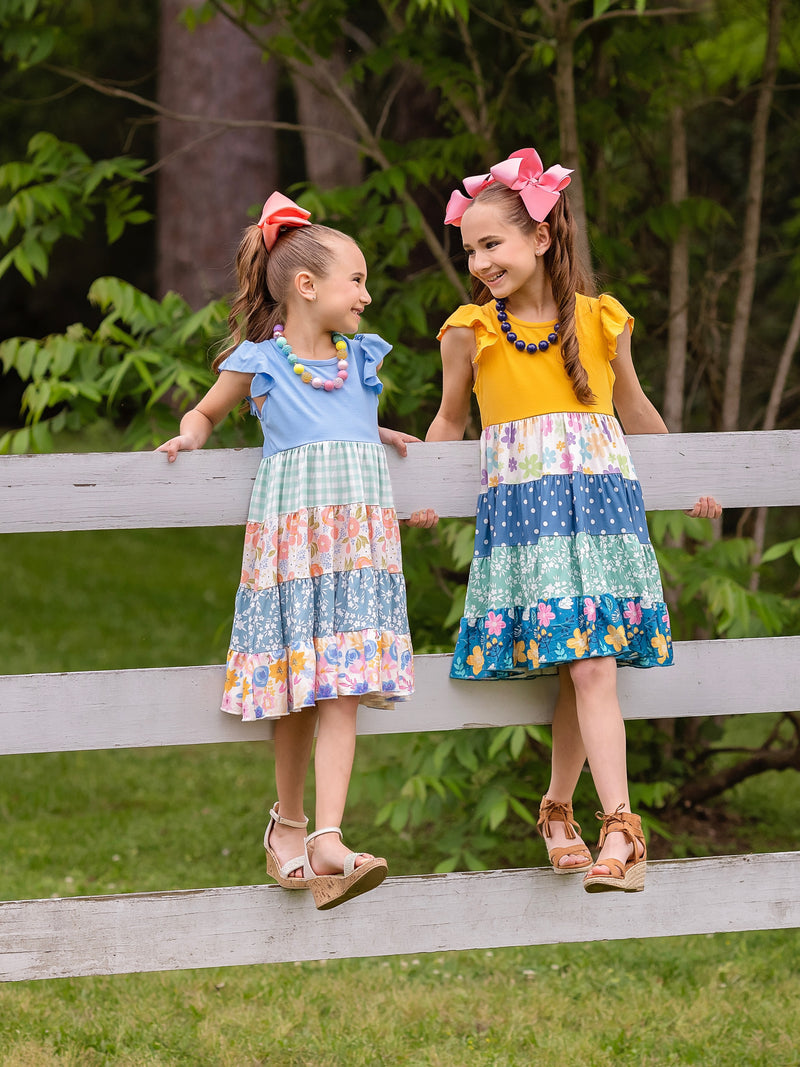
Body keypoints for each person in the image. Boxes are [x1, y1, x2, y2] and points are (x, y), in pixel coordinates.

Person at [425, 149, 721, 893]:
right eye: (471, 250)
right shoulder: (470, 330)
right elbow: (449, 420)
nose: (481, 262)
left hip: (600, 517)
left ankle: (613, 827)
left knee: (589, 663)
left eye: (493, 243)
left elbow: (636, 410)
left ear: (543, 238)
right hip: (530, 527)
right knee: (579, 665)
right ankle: (567, 811)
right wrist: (421, 494)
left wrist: (685, 481)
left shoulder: (599, 319)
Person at [158, 192, 435, 910]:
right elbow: (208, 410)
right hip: (296, 546)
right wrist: (190, 435)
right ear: (308, 286)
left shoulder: (362, 360)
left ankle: (331, 839)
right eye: (358, 281)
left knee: (341, 685)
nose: (368, 295)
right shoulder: (262, 360)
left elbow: (339, 420)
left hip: (359, 547)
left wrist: (379, 434)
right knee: (298, 687)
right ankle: (288, 822)